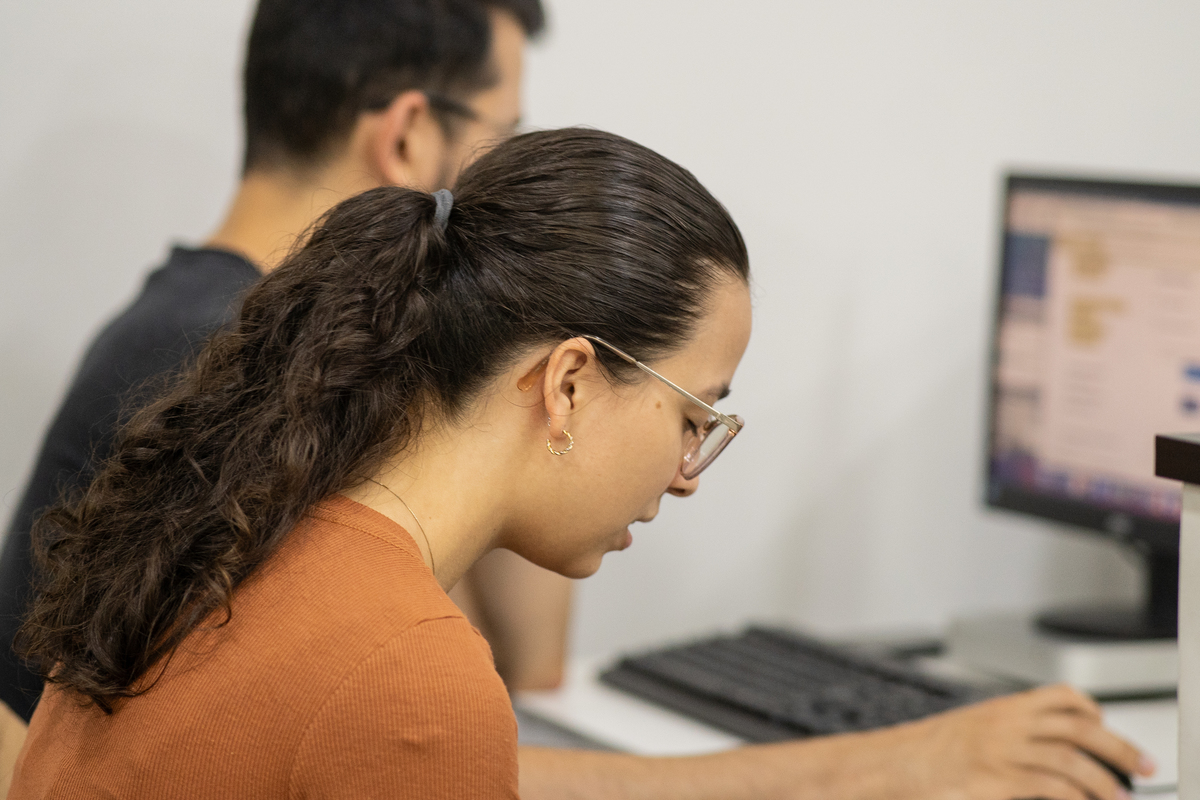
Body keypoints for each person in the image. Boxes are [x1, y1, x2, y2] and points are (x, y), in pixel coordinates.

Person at [9, 128, 1153, 800]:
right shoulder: (406, 666)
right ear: (566, 383)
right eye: (695, 413)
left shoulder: (245, 526)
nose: (690, 470)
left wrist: (896, 762)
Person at [0, 0, 564, 734]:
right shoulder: (254, 365)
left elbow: (529, 672)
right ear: (409, 136)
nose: (505, 179)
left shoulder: (187, 315)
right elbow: (422, 722)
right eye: (506, 139)